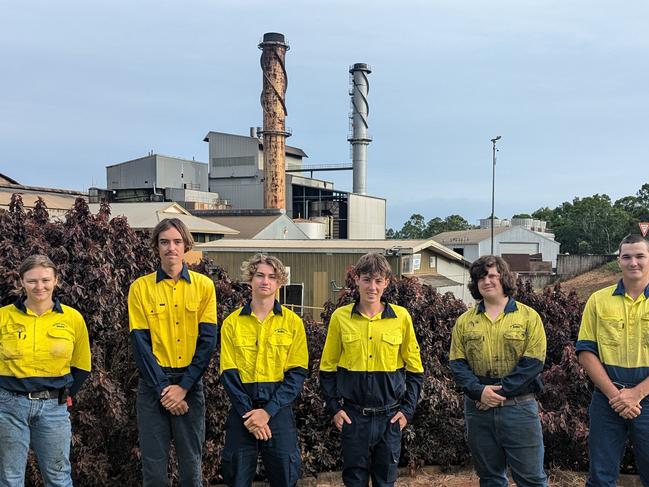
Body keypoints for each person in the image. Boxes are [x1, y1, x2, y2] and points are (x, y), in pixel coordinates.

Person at [319, 253, 423, 487]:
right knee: (354, 481)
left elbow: (416, 372)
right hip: (354, 418)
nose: (372, 287)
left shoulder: (401, 317)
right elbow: (326, 370)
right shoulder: (340, 317)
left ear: (387, 282)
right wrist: (335, 408)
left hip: (390, 418)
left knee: (385, 481)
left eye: (378, 281)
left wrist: (406, 411)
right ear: (356, 280)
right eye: (366, 279)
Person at [128, 218, 217, 487]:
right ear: (156, 246)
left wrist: (184, 387)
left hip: (190, 384)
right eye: (164, 242)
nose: (171, 248)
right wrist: (165, 390)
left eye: (177, 241)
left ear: (186, 245)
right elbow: (140, 345)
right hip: (153, 387)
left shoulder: (204, 287)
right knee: (154, 468)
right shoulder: (140, 288)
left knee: (191, 466)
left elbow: (207, 342)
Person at [449, 255, 547, 487]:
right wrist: (478, 392)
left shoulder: (528, 317)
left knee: (531, 479)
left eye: (492, 275)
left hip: (519, 409)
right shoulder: (464, 322)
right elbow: (457, 364)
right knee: (490, 479)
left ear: (504, 277)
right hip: (478, 411)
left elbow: (532, 363)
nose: (487, 281)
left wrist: (496, 393)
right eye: (480, 277)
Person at [0, 254, 91, 487]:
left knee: (59, 478)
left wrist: (66, 395)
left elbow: (82, 366)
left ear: (56, 280)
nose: (39, 286)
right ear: (21, 282)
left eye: (45, 280)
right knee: (10, 479)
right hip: (9, 408)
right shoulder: (3, 317)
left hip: (54, 409)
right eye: (32, 281)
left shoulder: (72, 319)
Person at [219, 254, 308, 487]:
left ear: (280, 282)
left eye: (272, 277)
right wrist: (251, 415)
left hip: (278, 412)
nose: (265, 281)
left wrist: (266, 413)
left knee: (285, 476)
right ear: (250, 279)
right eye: (259, 275)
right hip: (242, 413)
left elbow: (297, 374)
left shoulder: (292, 323)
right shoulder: (232, 323)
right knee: (236, 476)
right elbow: (228, 374)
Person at [577, 234, 649, 486]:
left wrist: (637, 393)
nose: (633, 262)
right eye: (627, 257)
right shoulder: (598, 300)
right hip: (608, 398)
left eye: (640, 256)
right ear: (618, 261)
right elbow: (586, 352)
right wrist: (617, 396)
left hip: (647, 396)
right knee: (601, 476)